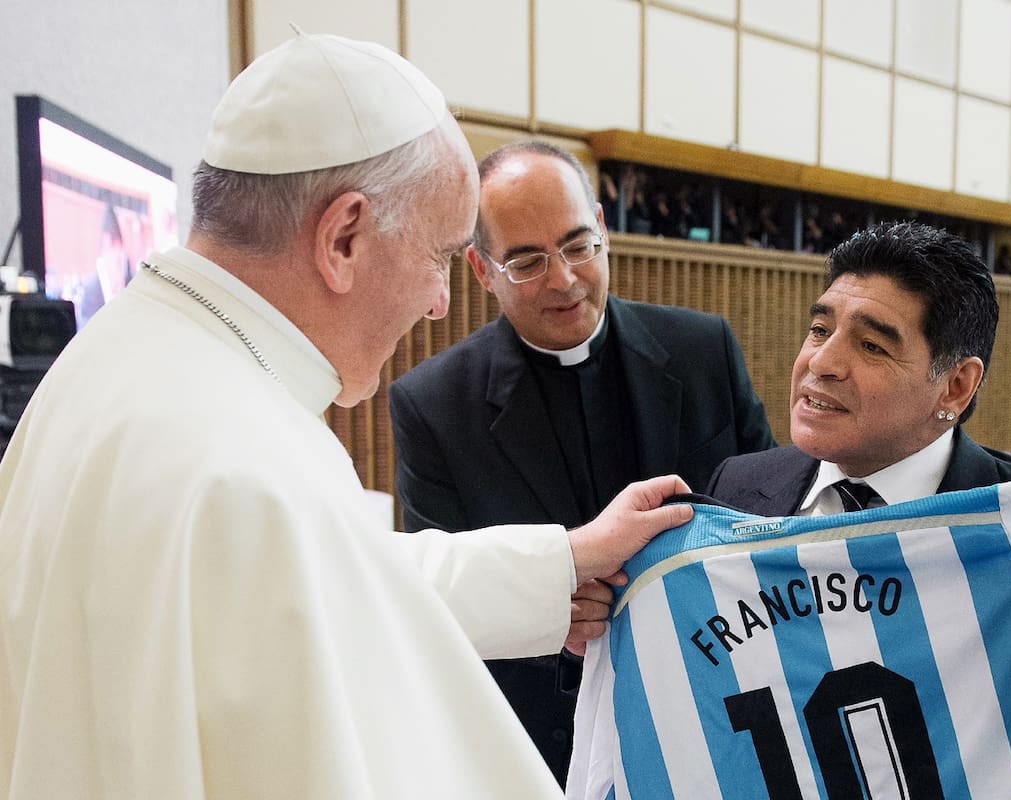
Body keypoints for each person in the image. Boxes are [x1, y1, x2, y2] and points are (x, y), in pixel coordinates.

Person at [0, 33, 696, 799]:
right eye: (438, 257)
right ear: (342, 238)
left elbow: (340, 577)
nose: (439, 304)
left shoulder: (123, 357)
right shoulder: (246, 464)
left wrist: (559, 563)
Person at [707, 221, 1011, 799]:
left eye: (871, 345)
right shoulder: (736, 488)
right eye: (819, 329)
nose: (822, 362)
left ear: (956, 388)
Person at [387, 140, 775, 784]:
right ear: (482, 271)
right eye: (528, 261)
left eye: (577, 245)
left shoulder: (703, 349)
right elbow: (439, 611)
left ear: (602, 226)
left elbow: (766, 513)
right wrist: (543, 612)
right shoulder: (433, 406)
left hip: (719, 713)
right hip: (542, 747)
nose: (564, 279)